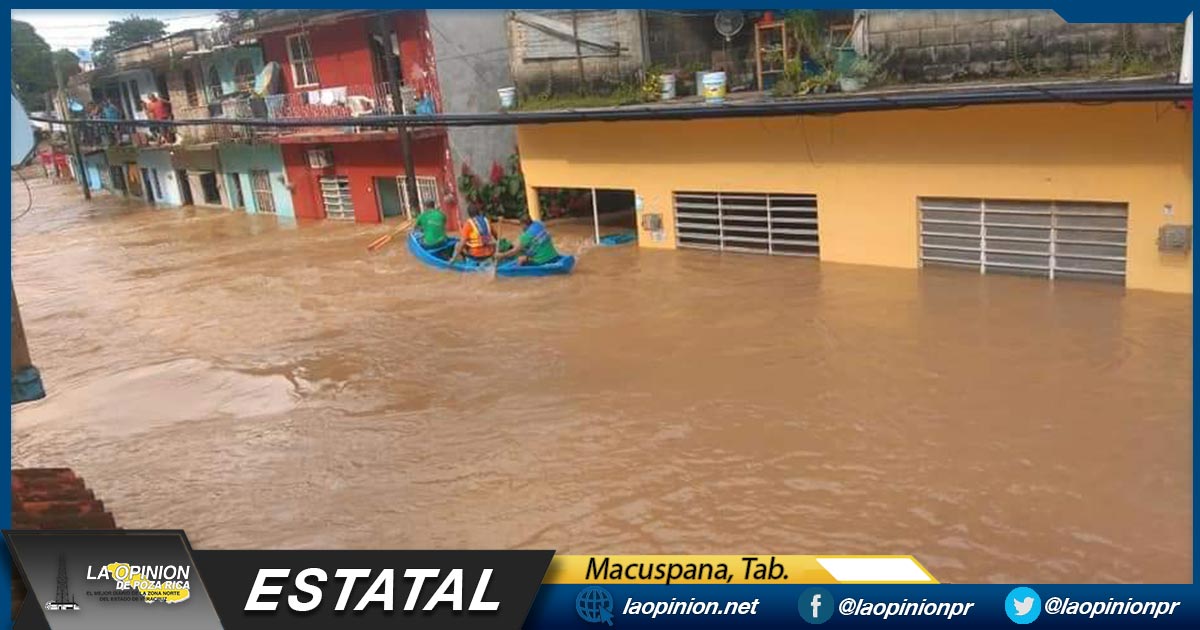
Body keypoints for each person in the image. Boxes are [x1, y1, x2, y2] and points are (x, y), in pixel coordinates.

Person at [496, 215, 562, 266]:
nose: (521, 227)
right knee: (526, 248)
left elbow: (514, 251)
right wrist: (505, 220)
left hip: (541, 261)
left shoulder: (526, 236)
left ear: (524, 224)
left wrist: (501, 255)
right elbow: (519, 222)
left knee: (520, 258)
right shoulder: (539, 224)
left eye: (521, 225)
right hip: (554, 256)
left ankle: (519, 273)